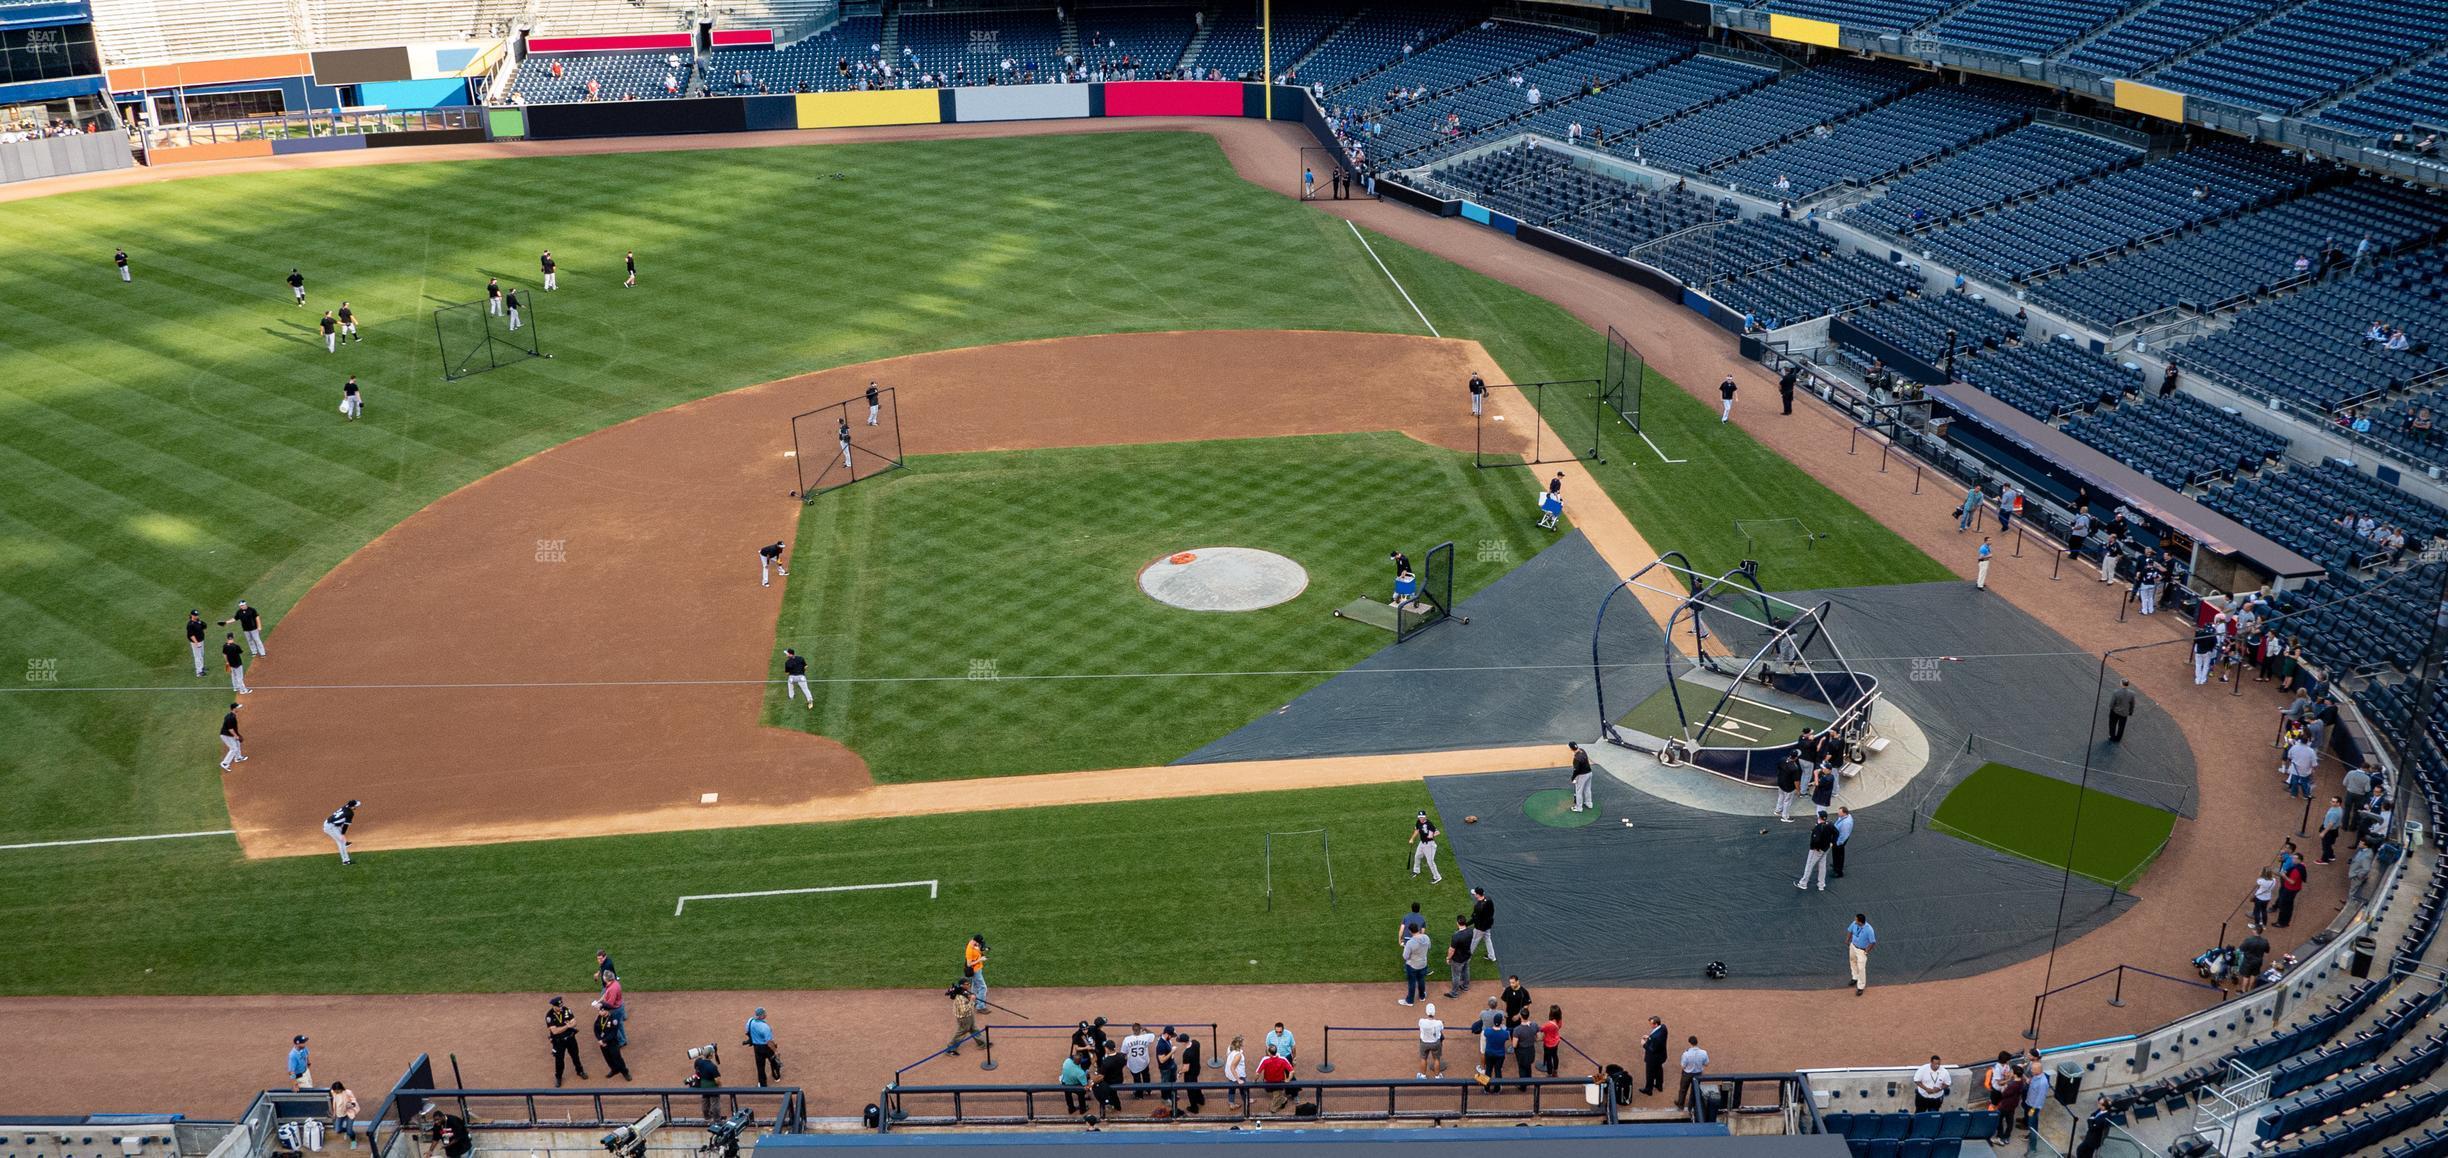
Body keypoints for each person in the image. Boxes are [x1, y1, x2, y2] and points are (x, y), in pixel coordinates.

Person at [544, 996, 588, 1085]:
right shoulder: (549, 1015)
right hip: (558, 1041)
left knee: (575, 1056)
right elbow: (555, 1031)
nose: (561, 1008)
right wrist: (567, 1026)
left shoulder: (566, 1010)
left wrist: (567, 1026)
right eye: (559, 1007)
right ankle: (559, 1077)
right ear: (554, 1006)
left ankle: (580, 1071)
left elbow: (575, 1022)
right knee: (559, 1060)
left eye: (561, 1006)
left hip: (570, 1038)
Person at [592, 1004, 631, 1080]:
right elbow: (595, 1029)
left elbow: (613, 1033)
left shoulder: (614, 1019)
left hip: (612, 1043)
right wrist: (599, 1039)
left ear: (605, 1011)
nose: (599, 1012)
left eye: (600, 1010)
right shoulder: (599, 1017)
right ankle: (614, 1069)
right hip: (602, 1043)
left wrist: (604, 1040)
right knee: (608, 1058)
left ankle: (625, 1072)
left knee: (617, 1058)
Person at [1799, 810, 1835, 890]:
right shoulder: (1830, 824)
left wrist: (1815, 848)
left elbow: (1816, 840)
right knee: (1822, 866)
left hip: (1817, 850)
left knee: (1809, 865)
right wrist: (1832, 842)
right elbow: (1836, 833)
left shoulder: (1818, 828)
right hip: (1826, 848)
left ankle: (1803, 883)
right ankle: (1821, 884)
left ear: (1819, 817)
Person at [746, 1006, 781, 1085]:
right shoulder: (765, 1027)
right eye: (764, 1013)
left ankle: (762, 1083)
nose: (766, 1014)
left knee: (760, 1066)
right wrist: (776, 1051)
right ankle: (776, 1076)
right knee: (773, 1061)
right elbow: (769, 1042)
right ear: (761, 1016)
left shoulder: (750, 1021)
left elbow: (747, 1031)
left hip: (757, 1048)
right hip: (767, 1047)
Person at [1256, 1045, 1296, 1113]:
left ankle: (1282, 1100)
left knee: (1273, 1109)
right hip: (1280, 1082)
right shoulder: (1283, 1059)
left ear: (1269, 1053)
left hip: (1268, 1082)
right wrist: (1288, 1080)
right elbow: (1292, 1071)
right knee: (1277, 1094)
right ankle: (1283, 1099)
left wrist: (1255, 1081)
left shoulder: (1265, 1060)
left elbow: (1257, 1073)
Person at [1399, 918, 1430, 1006]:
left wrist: (1405, 947)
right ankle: (1422, 996)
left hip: (1412, 966)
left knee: (1412, 983)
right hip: (1423, 964)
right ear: (1419, 929)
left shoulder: (1410, 943)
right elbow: (1429, 947)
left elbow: (1405, 956)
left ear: (1410, 931)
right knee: (1421, 980)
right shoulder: (1426, 937)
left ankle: (1409, 1001)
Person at [1443, 913, 1475, 997]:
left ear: (1457, 923)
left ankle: (1454, 993)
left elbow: (1451, 950)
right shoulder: (1471, 931)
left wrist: (1448, 958)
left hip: (1458, 959)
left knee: (1456, 976)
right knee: (1466, 970)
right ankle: (1465, 986)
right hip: (1467, 956)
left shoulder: (1456, 936)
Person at [1175, 1028, 1205, 1114]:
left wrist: (1180, 1072)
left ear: (1184, 1042)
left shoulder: (1187, 1054)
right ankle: (1201, 1100)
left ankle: (1194, 1108)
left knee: (1191, 1091)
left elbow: (1186, 1068)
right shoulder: (1196, 1043)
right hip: (1197, 1069)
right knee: (1196, 1084)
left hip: (1190, 1074)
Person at [1409, 810, 1444, 883]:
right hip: (1422, 843)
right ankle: (1416, 871)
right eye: (1419, 817)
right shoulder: (1418, 821)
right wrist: (1412, 838)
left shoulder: (1429, 824)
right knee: (1417, 856)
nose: (1421, 818)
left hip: (1429, 845)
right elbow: (1417, 830)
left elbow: (1437, 832)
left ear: (1425, 816)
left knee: (1430, 861)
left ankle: (1437, 877)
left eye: (1422, 817)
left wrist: (1431, 836)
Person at [1845, 914, 1875, 995]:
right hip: (1853, 946)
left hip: (1861, 950)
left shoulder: (1869, 930)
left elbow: (1872, 942)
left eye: (1856, 919)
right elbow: (1849, 930)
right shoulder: (1854, 924)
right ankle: (1855, 977)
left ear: (1860, 922)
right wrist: (1847, 940)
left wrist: (1866, 951)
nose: (1855, 920)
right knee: (1852, 961)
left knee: (1861, 968)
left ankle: (1860, 987)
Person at [689, 1044, 721, 1118]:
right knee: (715, 1103)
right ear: (710, 1055)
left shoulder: (698, 1062)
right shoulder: (712, 1066)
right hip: (712, 1087)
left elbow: (697, 1062)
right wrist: (719, 1086)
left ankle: (706, 1117)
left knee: (705, 1101)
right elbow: (717, 1080)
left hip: (703, 1086)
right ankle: (716, 1119)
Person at [2076, 1094, 2113, 1158]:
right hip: (2091, 1137)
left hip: (2093, 1140)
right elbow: (2093, 1114)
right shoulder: (2101, 1110)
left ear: (2104, 1107)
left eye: (2099, 1103)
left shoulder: (2104, 1118)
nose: (2098, 1104)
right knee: (2087, 1153)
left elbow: (2091, 1127)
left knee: (2080, 1150)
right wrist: (2092, 1120)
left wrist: (2090, 1120)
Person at [1676, 1036, 1708, 1109]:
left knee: (1683, 1089)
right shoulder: (1704, 1052)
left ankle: (1680, 1105)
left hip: (1687, 1074)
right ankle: (1691, 1107)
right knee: (1694, 1091)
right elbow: (1706, 1064)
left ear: (1690, 1043)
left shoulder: (1686, 1054)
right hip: (1698, 1074)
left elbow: (1683, 1066)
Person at [323, 800, 358, 865]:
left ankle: (344, 842)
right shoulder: (350, 814)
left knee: (342, 838)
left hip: (332, 824)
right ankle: (346, 861)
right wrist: (342, 834)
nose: (356, 807)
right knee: (341, 842)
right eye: (355, 806)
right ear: (352, 807)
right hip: (330, 827)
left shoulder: (345, 807)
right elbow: (346, 825)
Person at [1417, 1003, 1445, 1079]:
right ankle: (1437, 1076)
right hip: (1435, 1043)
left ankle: (1422, 1076)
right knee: (1436, 1059)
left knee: (1423, 1058)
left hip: (1424, 1043)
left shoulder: (1421, 1021)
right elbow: (1442, 1028)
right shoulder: (1439, 1023)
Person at [1641, 1017, 1668, 1095]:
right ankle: (1659, 1086)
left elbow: (1652, 1049)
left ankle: (1648, 1089)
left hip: (1653, 1058)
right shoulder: (1663, 1027)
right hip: (1661, 1056)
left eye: (1651, 1024)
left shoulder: (1656, 1037)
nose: (1650, 1025)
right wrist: (1649, 1038)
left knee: (1650, 1074)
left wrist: (1644, 1044)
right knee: (1659, 1070)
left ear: (1656, 1024)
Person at [330, 1082, 360, 1149]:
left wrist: (350, 1105)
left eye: (337, 1090)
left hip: (349, 1113)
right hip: (339, 1114)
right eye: (334, 1090)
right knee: (337, 1130)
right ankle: (348, 1130)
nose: (335, 1092)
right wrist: (334, 1114)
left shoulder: (348, 1092)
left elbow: (354, 1101)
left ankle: (353, 1140)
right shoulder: (333, 1092)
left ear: (340, 1089)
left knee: (349, 1131)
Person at [1059, 1052, 1092, 1116]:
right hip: (1075, 1085)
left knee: (1068, 1095)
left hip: (1065, 1083)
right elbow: (1085, 1085)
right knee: (1081, 1093)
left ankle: (1071, 1109)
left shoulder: (1067, 1061)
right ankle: (1083, 1109)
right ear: (1080, 1062)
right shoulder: (1080, 1073)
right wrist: (1087, 1076)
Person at [1773, 750, 1802, 822]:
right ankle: (1785, 817)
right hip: (1789, 787)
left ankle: (1778, 810)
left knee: (1781, 797)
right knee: (1787, 801)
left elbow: (1778, 767)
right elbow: (1796, 781)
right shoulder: (1795, 768)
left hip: (1780, 783)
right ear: (1796, 758)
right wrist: (1798, 791)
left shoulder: (1783, 759)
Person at [219, 702, 247, 772]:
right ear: (234, 708)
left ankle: (238, 757)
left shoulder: (230, 715)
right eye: (238, 707)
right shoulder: (231, 718)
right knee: (233, 748)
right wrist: (236, 735)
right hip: (226, 735)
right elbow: (230, 729)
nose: (239, 708)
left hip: (229, 734)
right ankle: (225, 763)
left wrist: (237, 735)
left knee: (237, 743)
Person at [1470, 888, 1497, 961]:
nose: (1474, 894)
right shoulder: (1489, 899)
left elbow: (1474, 919)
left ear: (1478, 895)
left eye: (1475, 893)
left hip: (1480, 928)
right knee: (1488, 939)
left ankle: (1466, 957)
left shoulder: (1478, 906)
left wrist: (1466, 924)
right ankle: (1492, 956)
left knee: (1473, 941)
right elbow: (1492, 911)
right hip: (1488, 924)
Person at [1568, 741, 1594, 812]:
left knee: (1578, 792)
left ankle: (1579, 808)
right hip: (1589, 773)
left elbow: (1576, 770)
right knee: (1587, 789)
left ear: (1571, 749)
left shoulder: (1576, 758)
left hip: (1582, 776)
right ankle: (1589, 803)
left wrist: (1573, 778)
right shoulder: (1582, 750)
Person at [2319, 797, 2346, 863]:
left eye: (2334, 802)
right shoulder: (2338, 809)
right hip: (2333, 830)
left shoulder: (2335, 813)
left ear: (2338, 803)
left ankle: (2324, 860)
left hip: (2329, 831)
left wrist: (2323, 833)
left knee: (2326, 846)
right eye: (2332, 801)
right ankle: (2331, 856)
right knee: (2328, 845)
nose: (2331, 802)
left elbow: (2331, 824)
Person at [1223, 1035, 1248, 1108]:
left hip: (1230, 1074)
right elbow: (1232, 1067)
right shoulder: (1238, 1055)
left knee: (1231, 1088)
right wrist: (1238, 1079)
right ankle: (1246, 1100)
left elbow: (1227, 1055)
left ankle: (1231, 1103)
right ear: (1240, 1044)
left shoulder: (1230, 1047)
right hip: (1237, 1074)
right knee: (1243, 1088)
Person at [964, 934, 989, 1004]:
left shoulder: (974, 944)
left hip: (978, 969)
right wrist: (980, 960)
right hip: (975, 971)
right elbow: (969, 964)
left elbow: (978, 951)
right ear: (976, 941)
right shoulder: (969, 950)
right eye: (979, 943)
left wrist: (983, 951)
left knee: (974, 986)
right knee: (983, 988)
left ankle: (973, 1001)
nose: (980, 944)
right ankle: (980, 1006)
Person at [1538, 1005, 1563, 1076]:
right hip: (1556, 1042)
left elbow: (1541, 1029)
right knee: (1555, 1055)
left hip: (1548, 1044)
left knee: (1549, 1059)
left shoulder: (1548, 1024)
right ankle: (1555, 1071)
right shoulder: (1560, 1021)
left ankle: (1549, 1073)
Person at [1831, 806, 1854, 878]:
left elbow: (1843, 835)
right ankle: (1836, 865)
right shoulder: (1844, 817)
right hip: (1838, 838)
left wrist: (1838, 843)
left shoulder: (1846, 823)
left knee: (1839, 854)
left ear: (1844, 813)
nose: (1838, 813)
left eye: (1839, 812)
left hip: (1839, 840)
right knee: (1836, 853)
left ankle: (1839, 871)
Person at [187, 609, 210, 677]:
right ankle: (199, 672)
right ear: (192, 615)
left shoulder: (198, 621)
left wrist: (200, 622)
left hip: (201, 640)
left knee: (201, 655)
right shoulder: (190, 624)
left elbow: (204, 626)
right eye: (195, 615)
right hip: (195, 643)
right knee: (197, 657)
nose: (196, 616)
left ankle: (202, 668)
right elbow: (191, 635)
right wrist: (196, 643)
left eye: (197, 615)